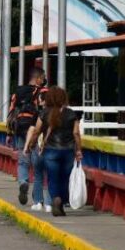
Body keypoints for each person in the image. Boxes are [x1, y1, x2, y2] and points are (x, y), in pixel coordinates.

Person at [25, 86, 82, 217]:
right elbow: (76, 133)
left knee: (52, 178)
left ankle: (55, 198)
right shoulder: (71, 113)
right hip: (68, 151)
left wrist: (31, 144)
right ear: (63, 98)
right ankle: (61, 201)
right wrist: (78, 150)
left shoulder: (44, 113)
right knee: (65, 178)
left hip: (50, 150)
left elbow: (37, 131)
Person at [12, 68, 50, 211]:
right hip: (36, 127)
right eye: (43, 77)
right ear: (39, 78)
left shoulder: (19, 91)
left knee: (22, 160)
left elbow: (11, 111)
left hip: (20, 128)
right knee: (37, 165)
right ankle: (39, 200)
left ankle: (23, 181)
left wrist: (10, 133)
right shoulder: (43, 91)